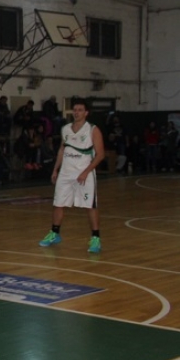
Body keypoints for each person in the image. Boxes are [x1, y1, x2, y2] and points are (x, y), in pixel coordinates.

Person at [39, 97, 105, 254]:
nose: (76, 113)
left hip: (84, 173)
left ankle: (96, 238)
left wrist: (86, 172)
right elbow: (62, 149)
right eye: (74, 110)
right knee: (58, 203)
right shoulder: (66, 129)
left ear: (86, 113)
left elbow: (100, 154)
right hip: (66, 173)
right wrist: (56, 169)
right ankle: (54, 233)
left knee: (90, 205)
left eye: (80, 110)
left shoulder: (92, 129)